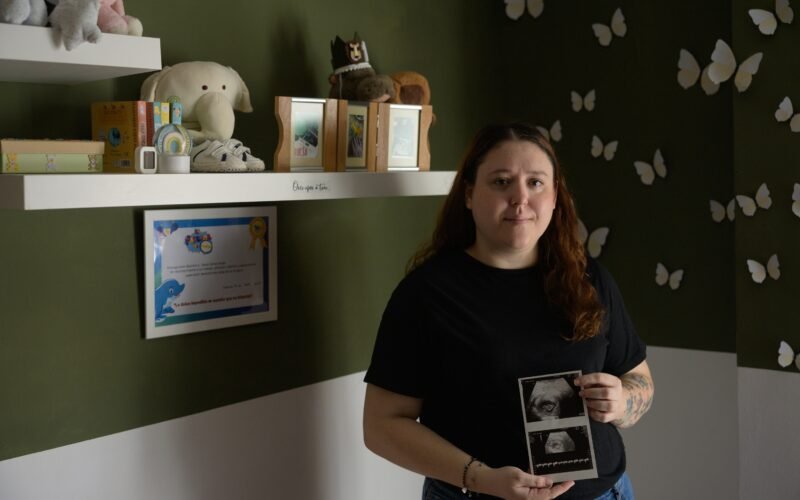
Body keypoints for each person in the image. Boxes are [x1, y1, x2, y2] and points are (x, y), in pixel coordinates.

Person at [362, 122, 654, 500]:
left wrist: (623, 402)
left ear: (554, 197)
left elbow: (640, 381)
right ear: (468, 194)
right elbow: (382, 426)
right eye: (501, 182)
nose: (520, 199)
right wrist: (480, 478)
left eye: (535, 183)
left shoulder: (589, 279)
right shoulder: (426, 294)